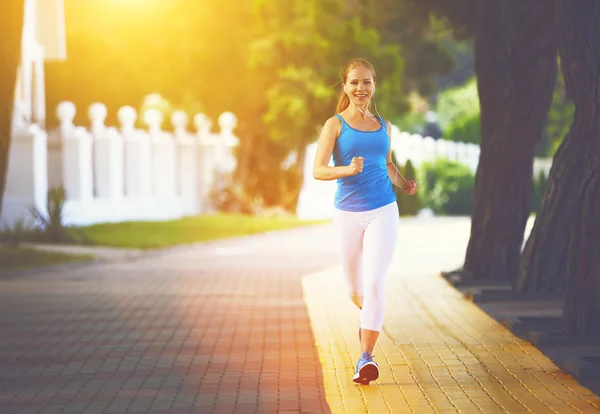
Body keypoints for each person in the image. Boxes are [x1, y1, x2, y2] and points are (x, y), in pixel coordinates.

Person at [312, 58, 417, 385]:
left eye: (367, 82)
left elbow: (386, 163)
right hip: (347, 214)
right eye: (354, 82)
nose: (361, 88)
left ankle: (366, 357)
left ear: (374, 85)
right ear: (345, 86)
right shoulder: (335, 125)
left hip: (383, 210)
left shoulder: (384, 126)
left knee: (374, 283)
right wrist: (346, 169)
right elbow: (318, 170)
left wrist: (403, 183)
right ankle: (369, 321)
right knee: (355, 290)